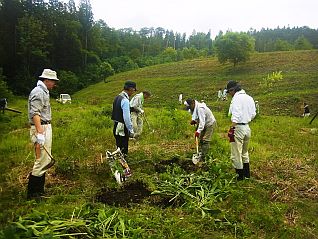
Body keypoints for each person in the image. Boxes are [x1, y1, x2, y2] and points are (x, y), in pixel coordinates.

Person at [27, 69, 59, 199]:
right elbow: (35, 113)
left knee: (45, 159)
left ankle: (39, 191)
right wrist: (40, 133)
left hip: (45, 126)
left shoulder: (43, 91)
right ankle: (33, 193)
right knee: (41, 160)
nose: (54, 84)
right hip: (41, 128)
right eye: (53, 81)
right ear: (47, 80)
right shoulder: (39, 92)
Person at [226, 80, 256, 180]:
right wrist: (246, 120)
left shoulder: (236, 98)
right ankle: (247, 175)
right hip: (247, 127)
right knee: (244, 152)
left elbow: (236, 115)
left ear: (232, 90)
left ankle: (240, 177)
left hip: (238, 127)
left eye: (229, 92)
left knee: (236, 153)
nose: (229, 94)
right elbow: (253, 114)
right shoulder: (249, 98)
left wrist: (232, 128)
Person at [111, 81, 137, 157]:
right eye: (133, 90)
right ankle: (123, 165)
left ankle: (118, 163)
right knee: (123, 147)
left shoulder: (117, 97)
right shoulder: (125, 100)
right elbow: (126, 118)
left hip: (116, 125)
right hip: (122, 127)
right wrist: (131, 130)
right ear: (130, 89)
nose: (133, 92)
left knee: (118, 145)